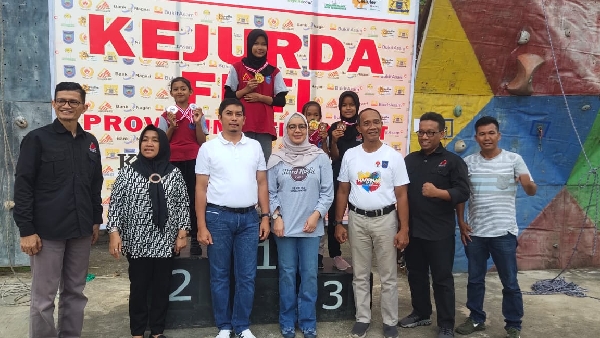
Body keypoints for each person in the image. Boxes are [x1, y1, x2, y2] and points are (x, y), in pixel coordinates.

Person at [13, 81, 103, 338]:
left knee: (75, 292)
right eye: (61, 101)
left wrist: (95, 220)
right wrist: (26, 230)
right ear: (53, 104)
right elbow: (23, 186)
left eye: (73, 102)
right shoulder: (37, 139)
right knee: (43, 298)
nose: (67, 105)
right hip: (46, 233)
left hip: (81, 230)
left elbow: (95, 184)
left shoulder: (91, 142)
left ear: (83, 107)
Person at [195, 98, 271, 338]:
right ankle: (224, 327)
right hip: (217, 217)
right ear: (220, 118)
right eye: (229, 113)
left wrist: (266, 216)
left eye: (239, 114)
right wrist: (201, 225)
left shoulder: (254, 147)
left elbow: (261, 182)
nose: (234, 118)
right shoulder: (208, 148)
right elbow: (200, 188)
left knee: (247, 275)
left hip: (249, 218)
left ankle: (242, 325)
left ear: (244, 119)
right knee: (220, 275)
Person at [455, 116, 537, 338]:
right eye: (482, 134)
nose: (487, 137)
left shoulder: (514, 159)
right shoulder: (468, 163)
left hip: (503, 232)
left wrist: (528, 184)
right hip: (476, 232)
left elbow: (531, 189)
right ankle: (476, 318)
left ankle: (513, 324)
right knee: (474, 279)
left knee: (509, 281)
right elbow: (462, 196)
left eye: (491, 133)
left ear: (499, 135)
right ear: (476, 137)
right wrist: (461, 222)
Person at [106, 125, 191, 338]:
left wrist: (182, 234)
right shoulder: (128, 172)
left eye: (155, 139)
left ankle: (157, 331)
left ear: (162, 144)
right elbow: (115, 204)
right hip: (137, 241)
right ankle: (137, 332)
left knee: (162, 289)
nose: (149, 143)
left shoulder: (173, 173)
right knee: (139, 289)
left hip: (165, 241)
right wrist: (114, 232)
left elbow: (182, 204)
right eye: (145, 139)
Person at [334, 108, 410, 338]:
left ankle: (389, 322)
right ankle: (363, 318)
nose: (372, 127)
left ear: (381, 125)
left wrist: (403, 228)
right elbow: (343, 190)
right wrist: (338, 222)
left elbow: (402, 196)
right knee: (360, 274)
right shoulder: (351, 155)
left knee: (388, 274)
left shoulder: (393, 156)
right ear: (359, 128)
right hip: (357, 220)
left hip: (386, 220)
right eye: (366, 123)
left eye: (376, 122)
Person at [399, 112, 470, 338]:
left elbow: (463, 192)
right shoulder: (410, 160)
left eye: (431, 132)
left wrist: (438, 193)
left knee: (441, 279)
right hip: (414, 229)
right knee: (416, 274)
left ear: (442, 133)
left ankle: (446, 323)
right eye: (421, 132)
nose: (425, 137)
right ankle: (421, 312)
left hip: (439, 232)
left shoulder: (453, 161)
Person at [267, 113, 334, 338]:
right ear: (286, 130)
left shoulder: (320, 157)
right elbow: (269, 191)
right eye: (292, 127)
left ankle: (307, 321)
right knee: (287, 274)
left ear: (307, 130)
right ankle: (287, 320)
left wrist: (316, 215)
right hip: (284, 228)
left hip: (310, 227)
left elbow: (327, 192)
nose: (297, 131)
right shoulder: (276, 158)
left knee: (310, 275)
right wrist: (276, 216)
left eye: (302, 127)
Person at [157, 76, 207, 256]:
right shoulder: (166, 115)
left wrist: (198, 123)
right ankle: (174, 239)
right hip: (172, 161)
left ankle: (194, 239)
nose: (179, 91)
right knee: (173, 200)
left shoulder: (198, 113)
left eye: (183, 88)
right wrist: (171, 126)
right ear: (171, 93)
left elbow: (202, 141)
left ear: (190, 92)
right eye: (176, 89)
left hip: (194, 159)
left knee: (194, 199)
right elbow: (162, 143)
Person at [224, 28, 289, 162]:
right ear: (249, 45)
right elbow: (228, 97)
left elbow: (281, 100)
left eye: (264, 44)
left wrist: (261, 98)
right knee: (240, 163)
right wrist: (245, 90)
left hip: (264, 126)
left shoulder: (273, 71)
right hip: (242, 125)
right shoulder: (237, 67)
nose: (260, 47)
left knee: (263, 165)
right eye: (256, 43)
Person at [326, 91, 363, 271]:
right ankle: (335, 255)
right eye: (344, 105)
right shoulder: (334, 127)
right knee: (335, 215)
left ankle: (360, 253)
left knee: (359, 212)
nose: (348, 108)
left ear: (357, 106)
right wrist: (333, 140)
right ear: (340, 107)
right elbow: (334, 157)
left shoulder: (362, 127)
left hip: (359, 176)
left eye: (351, 105)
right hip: (338, 175)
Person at [300, 101, 330, 269]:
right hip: (300, 181)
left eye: (315, 115)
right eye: (309, 114)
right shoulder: (298, 133)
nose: (312, 118)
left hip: (317, 182)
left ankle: (318, 254)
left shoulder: (322, 134)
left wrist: (324, 140)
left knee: (318, 216)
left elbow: (326, 157)